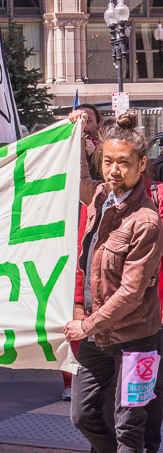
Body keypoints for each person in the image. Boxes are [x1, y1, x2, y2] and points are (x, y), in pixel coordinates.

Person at [66, 110, 163, 453]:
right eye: (107, 161)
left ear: (141, 166)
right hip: (96, 336)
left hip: (136, 338)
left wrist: (86, 324)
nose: (114, 170)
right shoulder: (98, 197)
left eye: (123, 162)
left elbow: (132, 293)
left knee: (129, 428)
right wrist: (77, 138)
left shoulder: (146, 221)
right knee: (83, 415)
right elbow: (78, 181)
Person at [75, 103, 103, 180]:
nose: (82, 126)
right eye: (77, 122)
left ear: (99, 125)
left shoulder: (107, 150)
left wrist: (93, 156)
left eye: (87, 121)